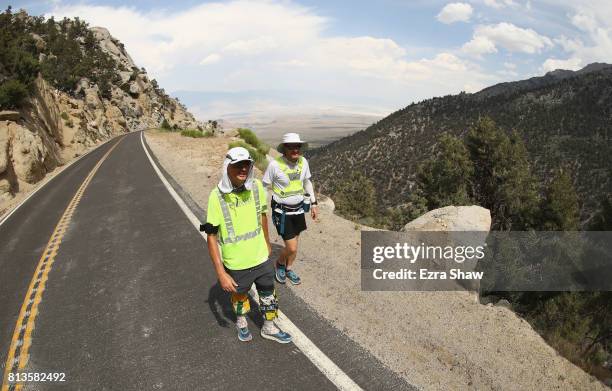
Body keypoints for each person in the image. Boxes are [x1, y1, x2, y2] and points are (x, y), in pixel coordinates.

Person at [202, 147, 292, 343]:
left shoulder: (257, 187)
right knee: (240, 296)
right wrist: (221, 274)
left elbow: (262, 215)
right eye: (238, 165)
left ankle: (268, 327)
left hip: (260, 256)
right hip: (236, 262)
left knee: (268, 294)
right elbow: (211, 237)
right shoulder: (216, 197)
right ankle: (242, 322)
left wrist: (267, 244)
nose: (243, 169)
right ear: (227, 167)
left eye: (247, 165)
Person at [262, 133, 318, 285]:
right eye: (291, 147)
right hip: (282, 212)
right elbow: (263, 186)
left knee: (295, 244)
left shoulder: (303, 162)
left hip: (299, 210)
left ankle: (288, 268)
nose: (295, 150)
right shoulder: (275, 165)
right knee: (291, 248)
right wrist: (260, 208)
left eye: (297, 146)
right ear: (284, 149)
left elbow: (307, 182)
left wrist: (314, 203)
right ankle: (280, 263)